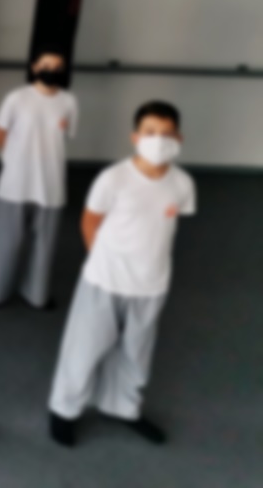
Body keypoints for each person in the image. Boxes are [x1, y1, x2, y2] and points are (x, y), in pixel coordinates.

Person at [48, 101, 196, 448]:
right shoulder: (113, 178)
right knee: (84, 349)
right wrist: (101, 261)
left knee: (136, 353)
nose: (158, 140)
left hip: (152, 284)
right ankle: (64, 409)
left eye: (166, 133)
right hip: (105, 280)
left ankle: (122, 407)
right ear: (135, 137)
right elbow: (90, 222)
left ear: (179, 138)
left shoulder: (183, 184)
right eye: (150, 132)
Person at [0, 48, 78, 310]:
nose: (51, 71)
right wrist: (13, 158)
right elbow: (0, 132)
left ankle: (36, 294)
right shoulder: (17, 98)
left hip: (51, 183)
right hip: (16, 182)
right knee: (6, 240)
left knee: (45, 244)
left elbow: (66, 135)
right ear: (35, 67)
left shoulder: (68, 101)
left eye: (57, 67)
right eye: (46, 65)